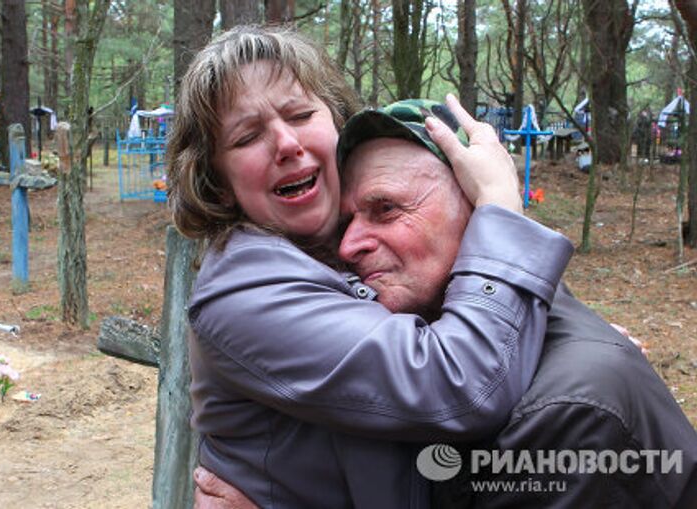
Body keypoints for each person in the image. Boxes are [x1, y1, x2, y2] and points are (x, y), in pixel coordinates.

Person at [193, 100, 697, 508]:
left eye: (386, 209)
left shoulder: (561, 417)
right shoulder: (467, 327)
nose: (347, 248)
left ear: (480, 217)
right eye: (347, 223)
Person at [167, 25, 572, 508]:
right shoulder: (243, 292)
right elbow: (459, 384)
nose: (285, 144)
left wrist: (566, 337)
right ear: (220, 182)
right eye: (248, 136)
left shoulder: (345, 233)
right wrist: (500, 208)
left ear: (337, 122)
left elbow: (477, 291)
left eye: (300, 114)